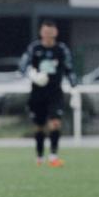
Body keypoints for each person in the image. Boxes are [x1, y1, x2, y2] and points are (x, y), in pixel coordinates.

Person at [19, 19, 77, 167]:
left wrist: (74, 86)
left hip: (55, 93)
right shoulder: (34, 48)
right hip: (38, 93)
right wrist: (33, 76)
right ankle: (39, 157)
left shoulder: (61, 49)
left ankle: (53, 156)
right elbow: (22, 66)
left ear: (55, 33)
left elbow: (69, 68)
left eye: (50, 33)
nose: (48, 35)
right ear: (41, 33)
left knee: (55, 123)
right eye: (45, 32)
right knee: (39, 126)